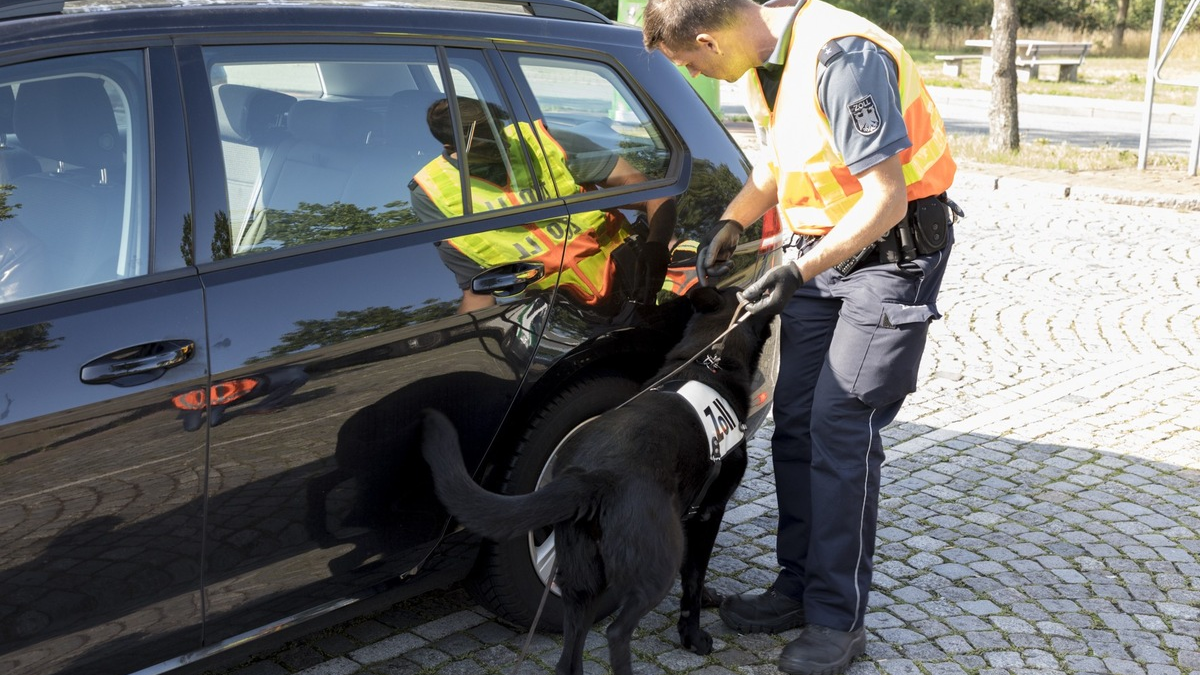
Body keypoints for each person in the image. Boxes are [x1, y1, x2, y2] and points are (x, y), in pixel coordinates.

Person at [642, 1, 959, 673]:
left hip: (889, 259)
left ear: (709, 39)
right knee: (796, 423)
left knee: (840, 426)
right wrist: (733, 220)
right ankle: (797, 585)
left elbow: (886, 197)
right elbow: (779, 161)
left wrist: (796, 271)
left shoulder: (842, 58)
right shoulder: (762, 65)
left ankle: (838, 619)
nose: (696, 73)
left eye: (690, 62)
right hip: (821, 256)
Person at [409, 97, 675, 314]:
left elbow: (652, 193)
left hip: (636, 285)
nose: (501, 144)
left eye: (499, 132)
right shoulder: (433, 195)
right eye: (486, 143)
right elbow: (477, 292)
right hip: (558, 322)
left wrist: (657, 247)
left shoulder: (543, 141)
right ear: (451, 147)